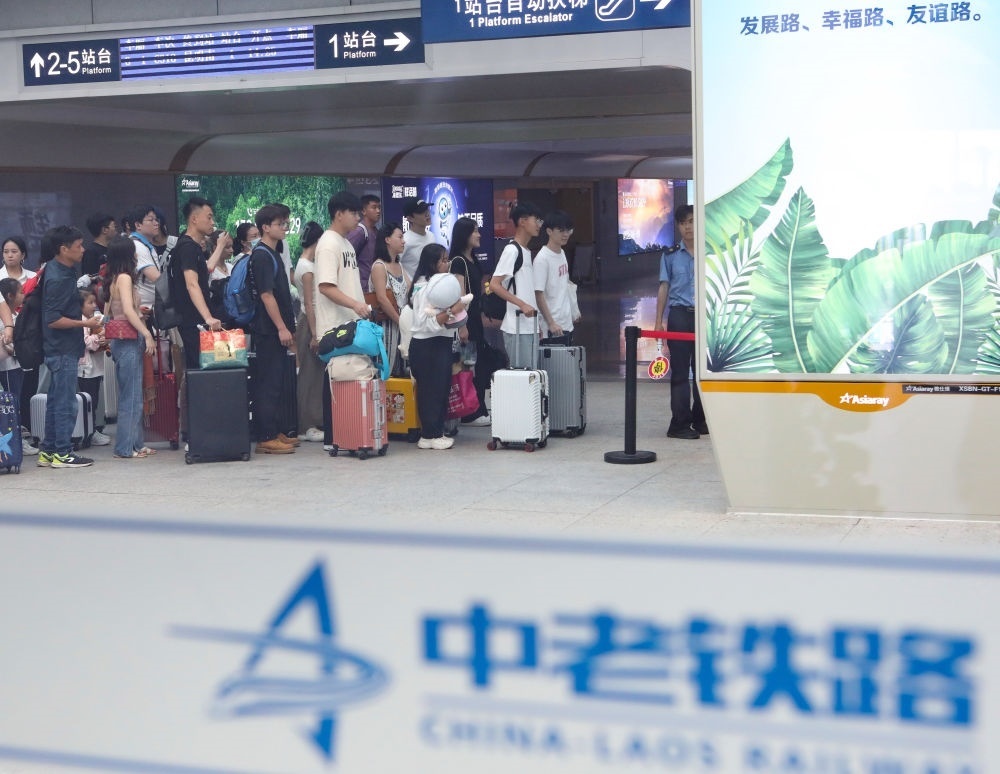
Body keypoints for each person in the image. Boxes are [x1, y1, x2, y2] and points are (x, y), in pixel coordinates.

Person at [37, 225, 103, 468]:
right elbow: (53, 319)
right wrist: (85, 323)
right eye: (78, 246)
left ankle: (49, 450)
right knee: (65, 403)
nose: (83, 250)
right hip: (62, 349)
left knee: (56, 401)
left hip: (59, 348)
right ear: (64, 249)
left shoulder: (55, 269)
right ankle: (63, 452)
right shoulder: (59, 278)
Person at [170, 197, 231, 440]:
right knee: (197, 374)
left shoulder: (192, 247)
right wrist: (208, 317)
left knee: (200, 373)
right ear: (194, 219)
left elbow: (205, 271)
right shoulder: (186, 247)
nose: (212, 221)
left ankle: (200, 430)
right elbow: (192, 283)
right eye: (209, 216)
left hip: (196, 320)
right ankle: (196, 433)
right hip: (193, 321)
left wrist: (219, 246)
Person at [314, 191, 369, 449]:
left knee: (347, 378)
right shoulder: (328, 244)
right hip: (335, 324)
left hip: (351, 322)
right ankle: (332, 438)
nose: (358, 217)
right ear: (338, 214)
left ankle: (347, 433)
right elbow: (326, 286)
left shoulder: (345, 243)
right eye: (354, 213)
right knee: (335, 378)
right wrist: (355, 304)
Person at [654, 203, 706, 440]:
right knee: (680, 372)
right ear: (678, 226)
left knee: (702, 371)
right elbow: (663, 287)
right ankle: (679, 424)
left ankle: (701, 420)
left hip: (703, 316)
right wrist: (658, 321)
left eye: (692, 221)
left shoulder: (709, 251)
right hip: (679, 316)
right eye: (684, 223)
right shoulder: (670, 255)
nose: (688, 227)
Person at [250, 204, 299, 455]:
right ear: (265, 227)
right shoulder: (261, 255)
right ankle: (265, 436)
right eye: (280, 224)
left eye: (285, 223)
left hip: (275, 329)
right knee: (268, 383)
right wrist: (281, 327)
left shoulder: (273, 253)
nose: (285, 228)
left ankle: (274, 430)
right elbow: (267, 295)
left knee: (277, 381)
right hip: (268, 330)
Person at [103, 236, 156, 459]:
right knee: (131, 396)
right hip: (129, 340)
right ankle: (125, 447)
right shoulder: (125, 278)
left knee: (132, 394)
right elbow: (126, 310)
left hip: (120, 340)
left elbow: (109, 312)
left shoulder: (114, 278)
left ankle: (136, 443)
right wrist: (147, 333)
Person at [409, 272, 467, 450]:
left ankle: (433, 433)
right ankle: (431, 434)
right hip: (428, 344)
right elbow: (424, 322)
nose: (446, 264)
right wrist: (450, 312)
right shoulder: (424, 289)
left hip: (441, 343)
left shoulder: (441, 286)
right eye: (442, 260)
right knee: (431, 391)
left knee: (440, 389)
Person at [489, 201, 543, 367]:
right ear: (522, 221)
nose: (539, 225)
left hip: (529, 326)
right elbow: (495, 284)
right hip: (517, 326)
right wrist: (522, 304)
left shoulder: (526, 251)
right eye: (536, 220)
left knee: (530, 376)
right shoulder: (512, 250)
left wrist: (537, 324)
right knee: (521, 375)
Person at [449, 217, 491, 426]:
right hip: (466, 321)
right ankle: (470, 411)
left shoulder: (472, 259)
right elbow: (459, 296)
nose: (478, 234)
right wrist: (462, 326)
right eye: (474, 231)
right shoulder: (458, 262)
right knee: (468, 365)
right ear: (464, 234)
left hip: (475, 318)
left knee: (477, 364)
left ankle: (477, 406)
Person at [292, 221, 325, 443]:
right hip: (309, 322)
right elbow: (310, 304)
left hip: (306, 320)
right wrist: (315, 334)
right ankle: (307, 425)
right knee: (310, 375)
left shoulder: (302, 264)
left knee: (310, 373)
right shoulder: (308, 269)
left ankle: (310, 422)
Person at [0, 278, 38, 456]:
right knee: (11, 404)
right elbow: (6, 342)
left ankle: (16, 440)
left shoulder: (15, 315)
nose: (24, 295)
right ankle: (15, 441)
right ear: (10, 296)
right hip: (7, 367)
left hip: (16, 365)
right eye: (21, 292)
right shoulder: (5, 319)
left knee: (16, 402)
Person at [369, 222, 410, 377]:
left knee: (401, 373)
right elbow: (382, 298)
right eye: (400, 237)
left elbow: (411, 289)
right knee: (385, 372)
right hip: (385, 327)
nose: (403, 241)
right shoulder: (379, 266)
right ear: (387, 240)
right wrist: (401, 321)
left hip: (400, 327)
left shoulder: (399, 265)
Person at [534, 210, 579, 346]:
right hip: (552, 328)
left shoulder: (562, 253)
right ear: (549, 231)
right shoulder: (542, 259)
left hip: (566, 323)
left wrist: (573, 311)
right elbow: (538, 294)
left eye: (568, 230)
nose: (566, 234)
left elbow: (564, 286)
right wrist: (551, 323)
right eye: (561, 230)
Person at [76, 289, 111, 446]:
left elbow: (108, 321)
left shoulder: (94, 318)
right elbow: (86, 342)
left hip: (95, 368)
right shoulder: (82, 321)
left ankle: (91, 431)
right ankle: (89, 432)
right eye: (89, 302)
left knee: (94, 401)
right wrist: (99, 337)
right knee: (89, 402)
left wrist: (105, 334)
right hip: (86, 369)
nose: (93, 305)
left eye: (94, 302)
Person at [125, 205, 163, 310]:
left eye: (156, 219)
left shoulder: (143, 244)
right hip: (143, 309)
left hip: (146, 308)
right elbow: (156, 278)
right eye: (151, 220)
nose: (156, 223)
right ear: (138, 225)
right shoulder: (137, 246)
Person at [347, 194, 382, 289]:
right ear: (363, 211)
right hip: (361, 287)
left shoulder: (376, 231)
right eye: (374, 207)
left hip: (373, 285)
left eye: (379, 207)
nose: (378, 211)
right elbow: (346, 257)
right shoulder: (359, 231)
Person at [400, 197, 439, 282]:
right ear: (410, 218)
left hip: (431, 285)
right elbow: (394, 265)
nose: (427, 214)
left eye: (427, 209)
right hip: (414, 288)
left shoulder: (431, 236)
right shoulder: (404, 240)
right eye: (421, 212)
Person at [81, 213, 117, 281]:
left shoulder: (113, 249)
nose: (116, 230)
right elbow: (89, 279)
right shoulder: (91, 252)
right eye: (114, 226)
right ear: (104, 230)